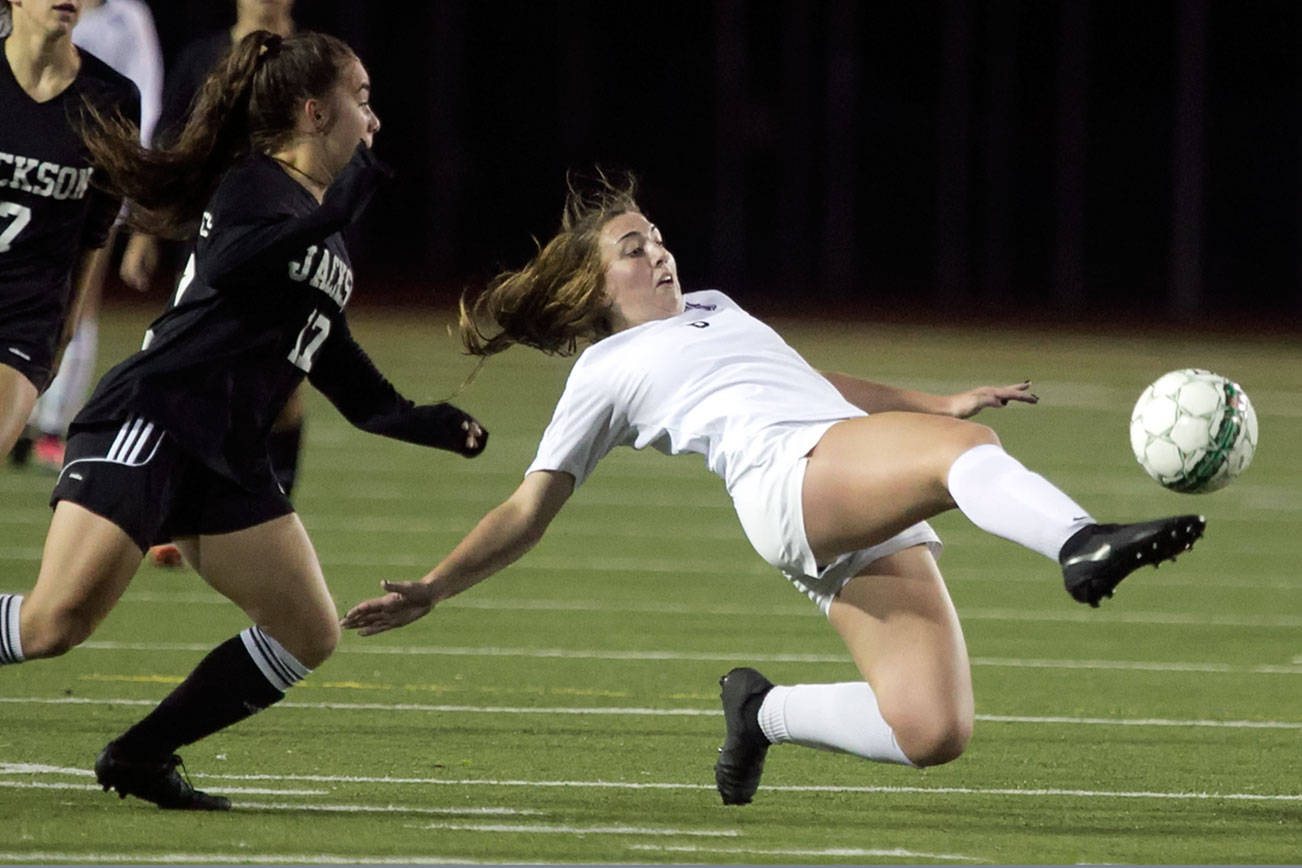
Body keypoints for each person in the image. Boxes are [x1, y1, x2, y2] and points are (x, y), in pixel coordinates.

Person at [340, 175, 1205, 806]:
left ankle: (761, 712)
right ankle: (1078, 540)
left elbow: (810, 380)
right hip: (791, 481)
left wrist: (934, 401)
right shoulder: (603, 371)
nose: (658, 251)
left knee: (933, 729)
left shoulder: (714, 305)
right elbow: (529, 508)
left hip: (839, 472)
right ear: (591, 288)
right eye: (631, 249)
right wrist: (433, 587)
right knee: (965, 452)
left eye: (657, 236)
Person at [0, 29, 488, 811]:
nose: (374, 120)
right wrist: (336, 216)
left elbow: (343, 376)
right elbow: (235, 264)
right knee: (54, 623)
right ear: (311, 111)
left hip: (225, 455)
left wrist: (433, 424)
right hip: (154, 421)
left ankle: (140, 755)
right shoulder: (255, 183)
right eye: (360, 100)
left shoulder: (320, 233)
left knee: (309, 631)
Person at [124, 0, 299, 567]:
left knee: (286, 388)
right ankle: (172, 506)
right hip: (211, 238)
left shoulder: (310, 59)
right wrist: (146, 232)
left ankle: (271, 515)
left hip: (286, 235)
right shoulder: (203, 57)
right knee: (191, 369)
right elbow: (170, 142)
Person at [11, 0, 164, 472]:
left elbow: (146, 105)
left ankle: (52, 422)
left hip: (25, 313)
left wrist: (140, 212)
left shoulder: (112, 83)